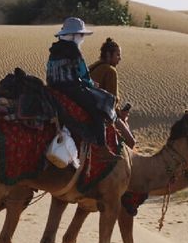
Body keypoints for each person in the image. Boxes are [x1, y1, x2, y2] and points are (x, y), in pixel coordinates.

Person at [46, 17, 116, 147]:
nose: (82, 38)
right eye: (81, 35)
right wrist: (91, 84)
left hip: (53, 88)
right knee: (98, 110)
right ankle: (102, 147)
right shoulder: (74, 51)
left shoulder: (54, 50)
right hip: (71, 89)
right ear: (74, 35)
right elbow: (83, 74)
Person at [89, 37, 135, 148]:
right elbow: (112, 101)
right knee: (130, 142)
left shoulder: (93, 66)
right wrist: (121, 115)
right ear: (109, 55)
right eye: (118, 55)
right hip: (104, 114)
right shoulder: (110, 70)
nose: (120, 58)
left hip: (91, 109)